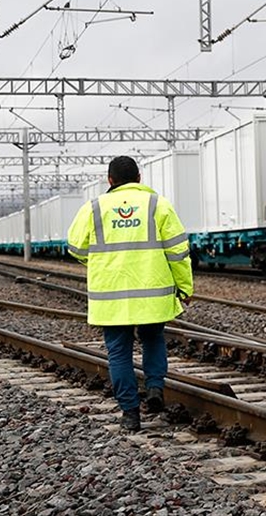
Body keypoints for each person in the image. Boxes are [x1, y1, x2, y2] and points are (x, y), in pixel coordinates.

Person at [66, 156, 193, 432]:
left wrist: (99, 261)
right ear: (138, 178)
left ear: (110, 180)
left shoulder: (94, 208)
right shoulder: (158, 205)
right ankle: (155, 388)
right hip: (152, 294)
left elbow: (75, 248)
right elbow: (178, 252)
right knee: (153, 339)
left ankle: (130, 414)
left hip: (111, 296)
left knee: (119, 353)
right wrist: (185, 287)